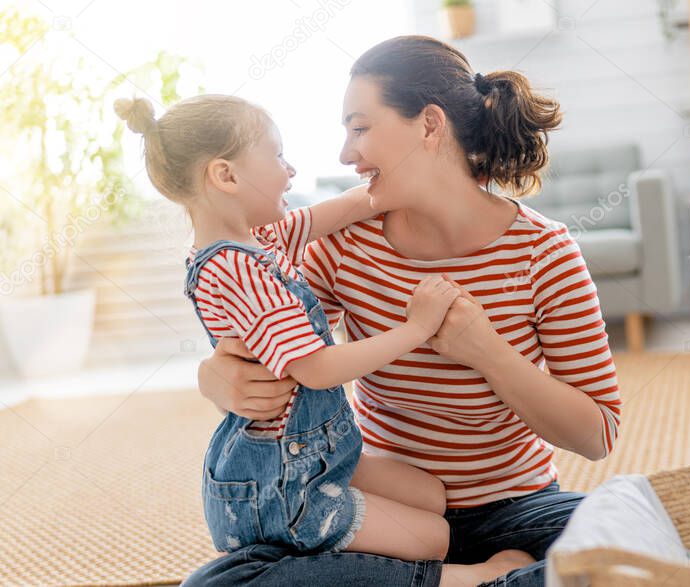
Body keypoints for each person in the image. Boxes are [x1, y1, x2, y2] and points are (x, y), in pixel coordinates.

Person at [187, 35, 621, 586]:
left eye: (361, 127)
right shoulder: (345, 244)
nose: (347, 153)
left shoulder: (544, 253)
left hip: (511, 510)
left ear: (429, 125)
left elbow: (598, 433)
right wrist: (213, 377)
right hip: (378, 516)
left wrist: (486, 352)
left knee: (631, 537)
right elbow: (275, 340)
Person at [116, 94, 534, 586]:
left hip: (318, 453)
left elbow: (338, 210)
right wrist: (416, 330)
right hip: (283, 482)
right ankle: (473, 580)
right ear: (226, 176)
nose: (290, 169)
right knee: (432, 541)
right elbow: (315, 367)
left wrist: (438, 177)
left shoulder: (260, 240)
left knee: (431, 496)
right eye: (276, 156)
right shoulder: (234, 268)